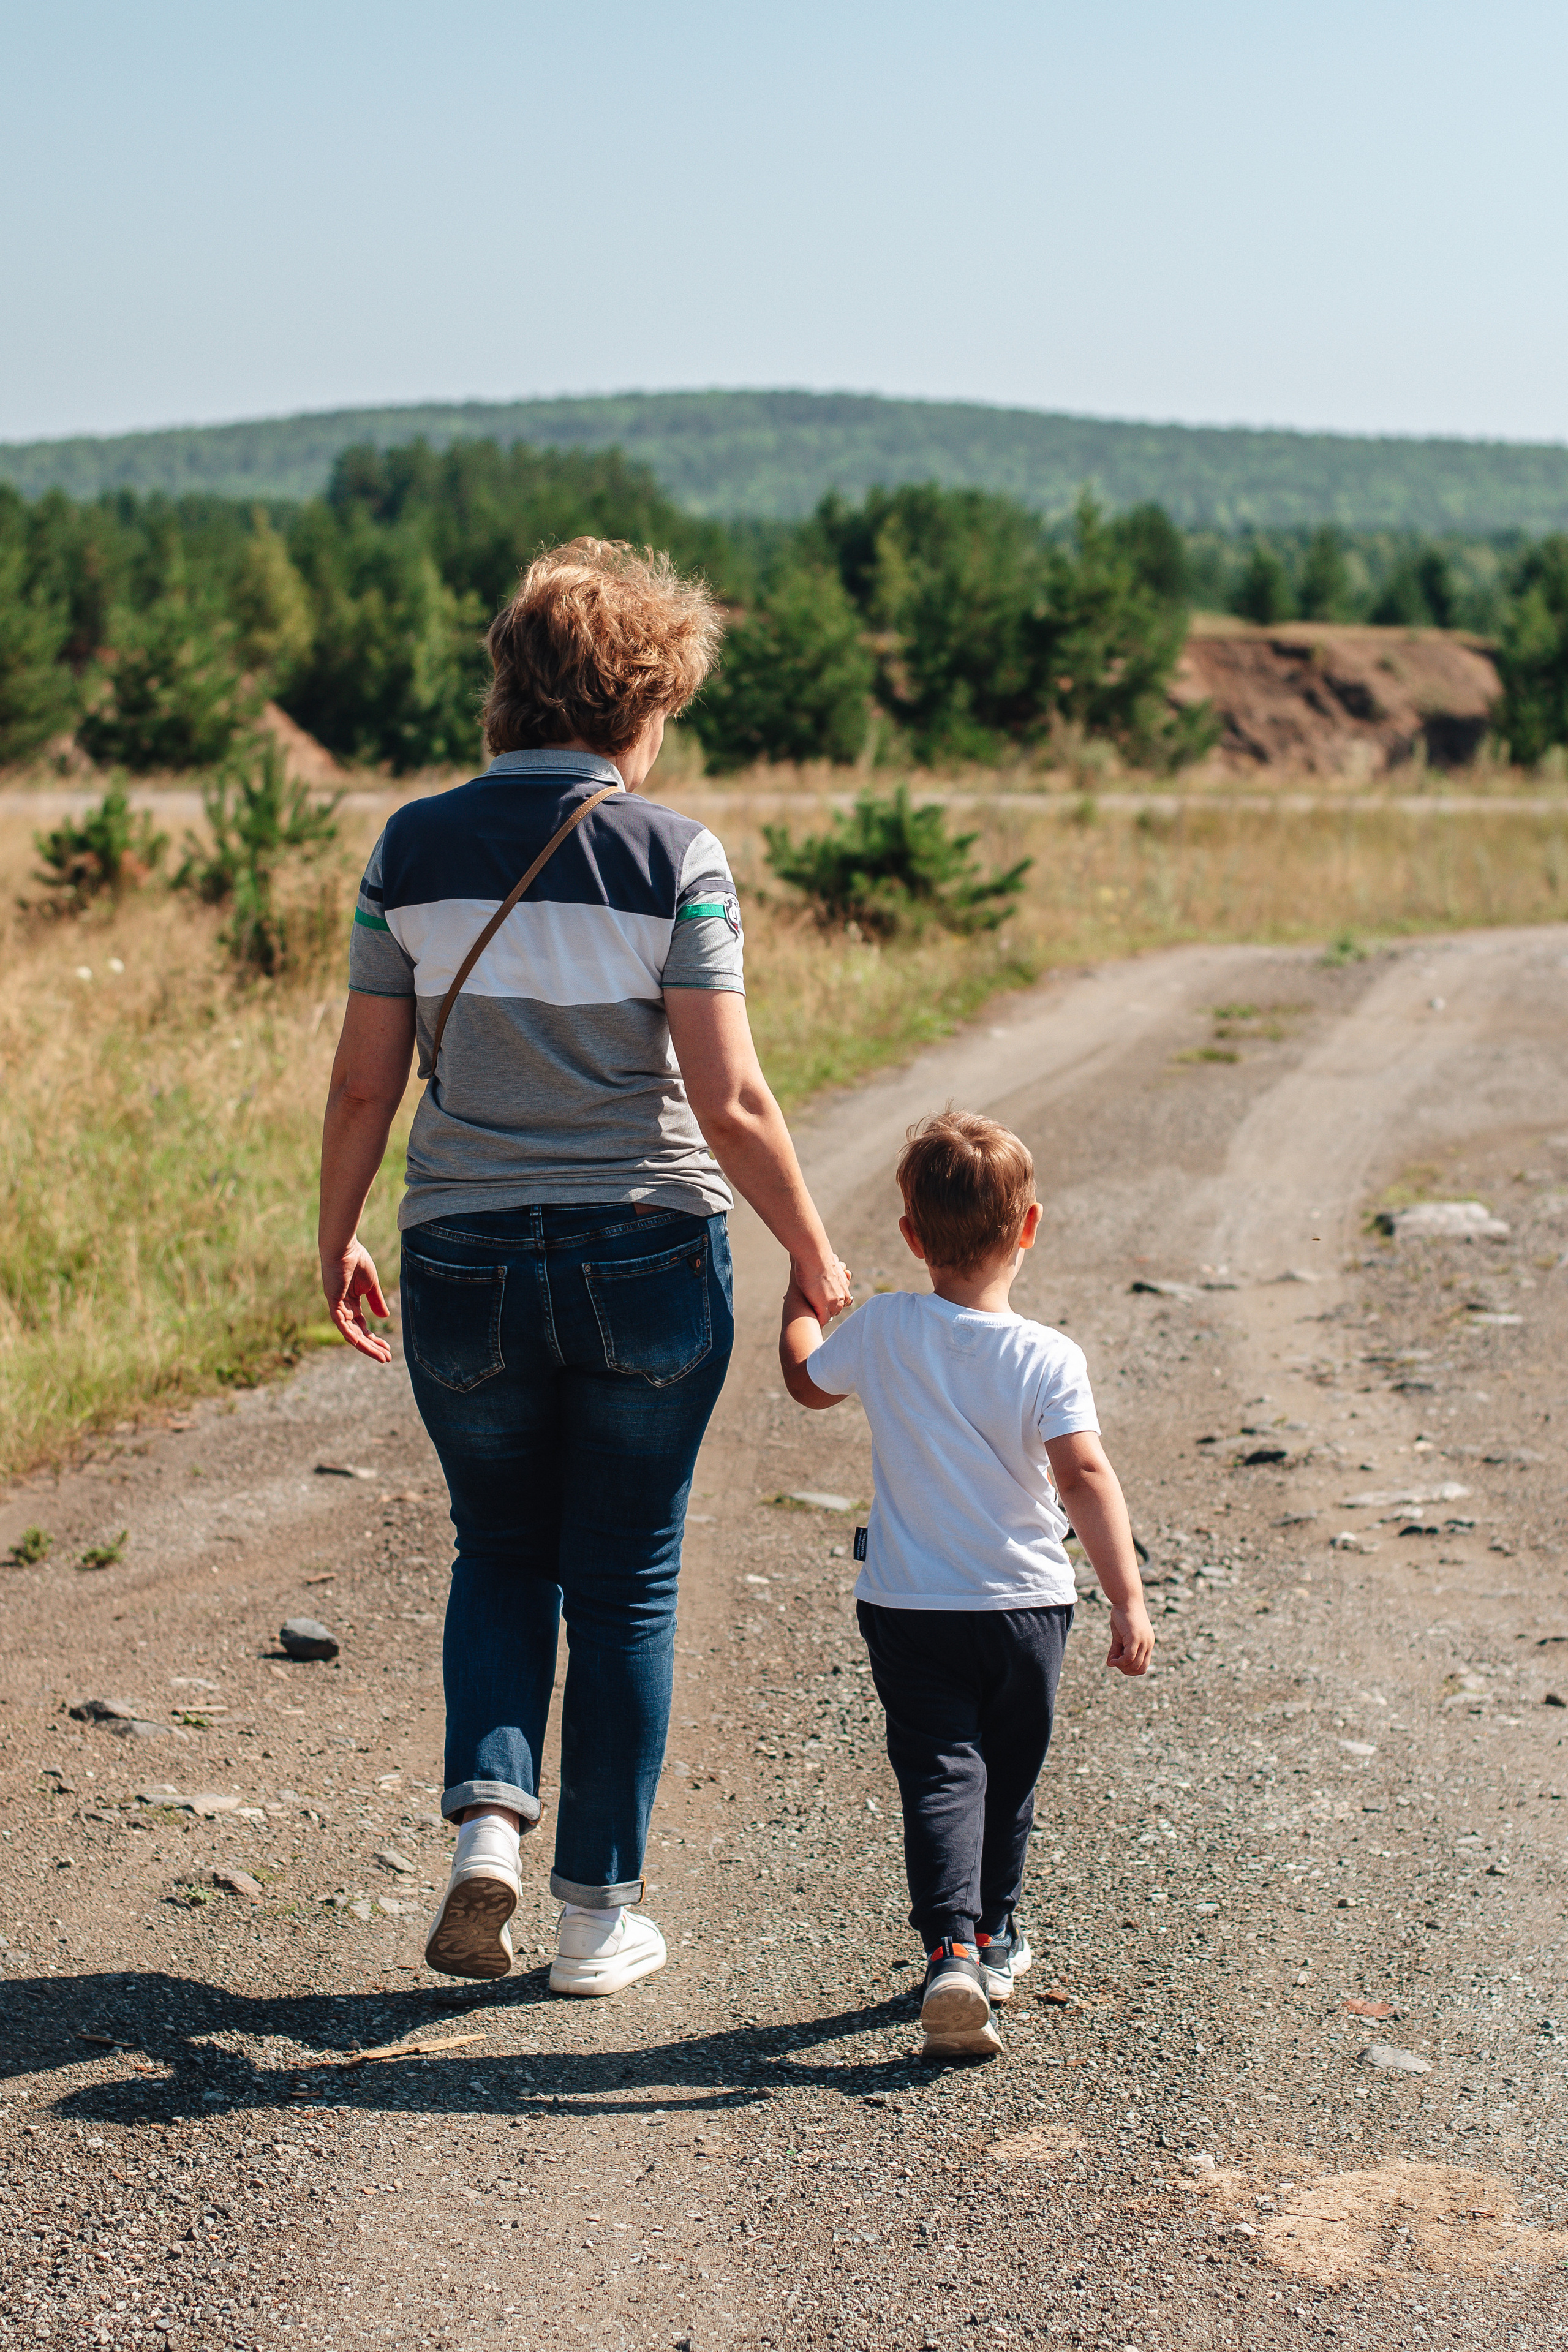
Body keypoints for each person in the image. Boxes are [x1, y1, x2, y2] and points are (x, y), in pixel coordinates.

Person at [318, 538, 851, 1996]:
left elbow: (366, 1081)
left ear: (509, 689)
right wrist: (813, 1252)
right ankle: (595, 1920)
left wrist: (338, 1231)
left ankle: (487, 1825)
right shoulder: (674, 855)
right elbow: (729, 1099)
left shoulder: (407, 849)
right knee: (625, 1578)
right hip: (644, 1249)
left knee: (499, 1548)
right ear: (639, 700)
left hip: (462, 1250)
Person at [778, 1110, 1153, 2058]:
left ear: (912, 1237)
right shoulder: (1049, 1356)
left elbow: (807, 1382)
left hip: (909, 1608)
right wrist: (1127, 1596)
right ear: (1029, 1228)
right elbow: (1085, 1477)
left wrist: (800, 1293)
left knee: (942, 1774)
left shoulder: (886, 1326)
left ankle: (950, 1948)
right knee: (1008, 1779)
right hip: (1027, 1610)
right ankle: (995, 1937)